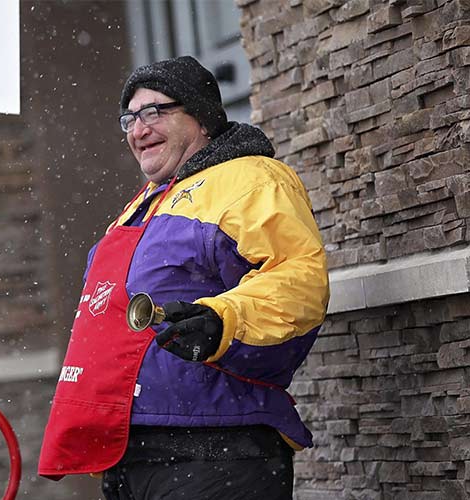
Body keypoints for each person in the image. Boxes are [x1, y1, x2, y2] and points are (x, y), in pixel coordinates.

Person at [38, 55, 329, 500]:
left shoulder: (251, 179)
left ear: (202, 117)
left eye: (155, 111)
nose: (139, 129)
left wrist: (221, 320)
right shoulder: (146, 202)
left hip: (215, 448)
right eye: (130, 118)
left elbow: (298, 277)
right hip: (131, 453)